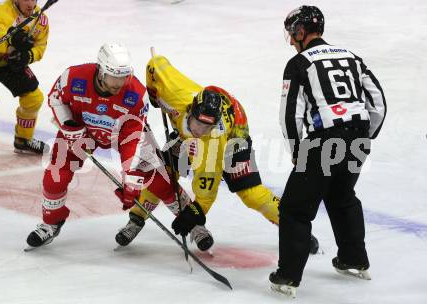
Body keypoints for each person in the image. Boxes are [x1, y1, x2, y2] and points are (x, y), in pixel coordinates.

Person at [115, 54, 320, 253]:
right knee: (163, 174)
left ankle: (296, 229)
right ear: (191, 109)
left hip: (234, 138)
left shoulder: (211, 142)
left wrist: (195, 214)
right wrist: (154, 93)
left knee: (251, 193)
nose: (200, 131)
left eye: (207, 127)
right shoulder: (176, 94)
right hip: (202, 127)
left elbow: (206, 193)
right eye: (198, 124)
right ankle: (136, 217)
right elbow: (156, 64)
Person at [269, 5, 387, 298]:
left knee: (295, 208)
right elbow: (378, 103)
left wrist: (298, 151)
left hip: (324, 140)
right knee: (342, 196)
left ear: (300, 31)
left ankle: (288, 277)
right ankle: (354, 259)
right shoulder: (352, 57)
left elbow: (290, 115)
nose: (291, 39)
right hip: (358, 137)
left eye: (292, 33)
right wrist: (363, 137)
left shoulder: (299, 63)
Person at [26, 43, 167, 248]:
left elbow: (133, 135)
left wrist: (130, 175)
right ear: (101, 71)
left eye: (124, 77)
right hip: (82, 131)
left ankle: (193, 224)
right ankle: (51, 223)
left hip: (122, 134)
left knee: (156, 176)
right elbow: (55, 99)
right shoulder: (74, 77)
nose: (120, 83)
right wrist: (69, 126)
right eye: (114, 77)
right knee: (55, 177)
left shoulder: (135, 92)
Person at [0, 0, 50, 154]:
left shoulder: (41, 20)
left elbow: (40, 48)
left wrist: (26, 56)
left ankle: (23, 139)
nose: (30, 4)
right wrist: (13, 38)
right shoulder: (1, 11)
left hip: (8, 64)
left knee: (33, 99)